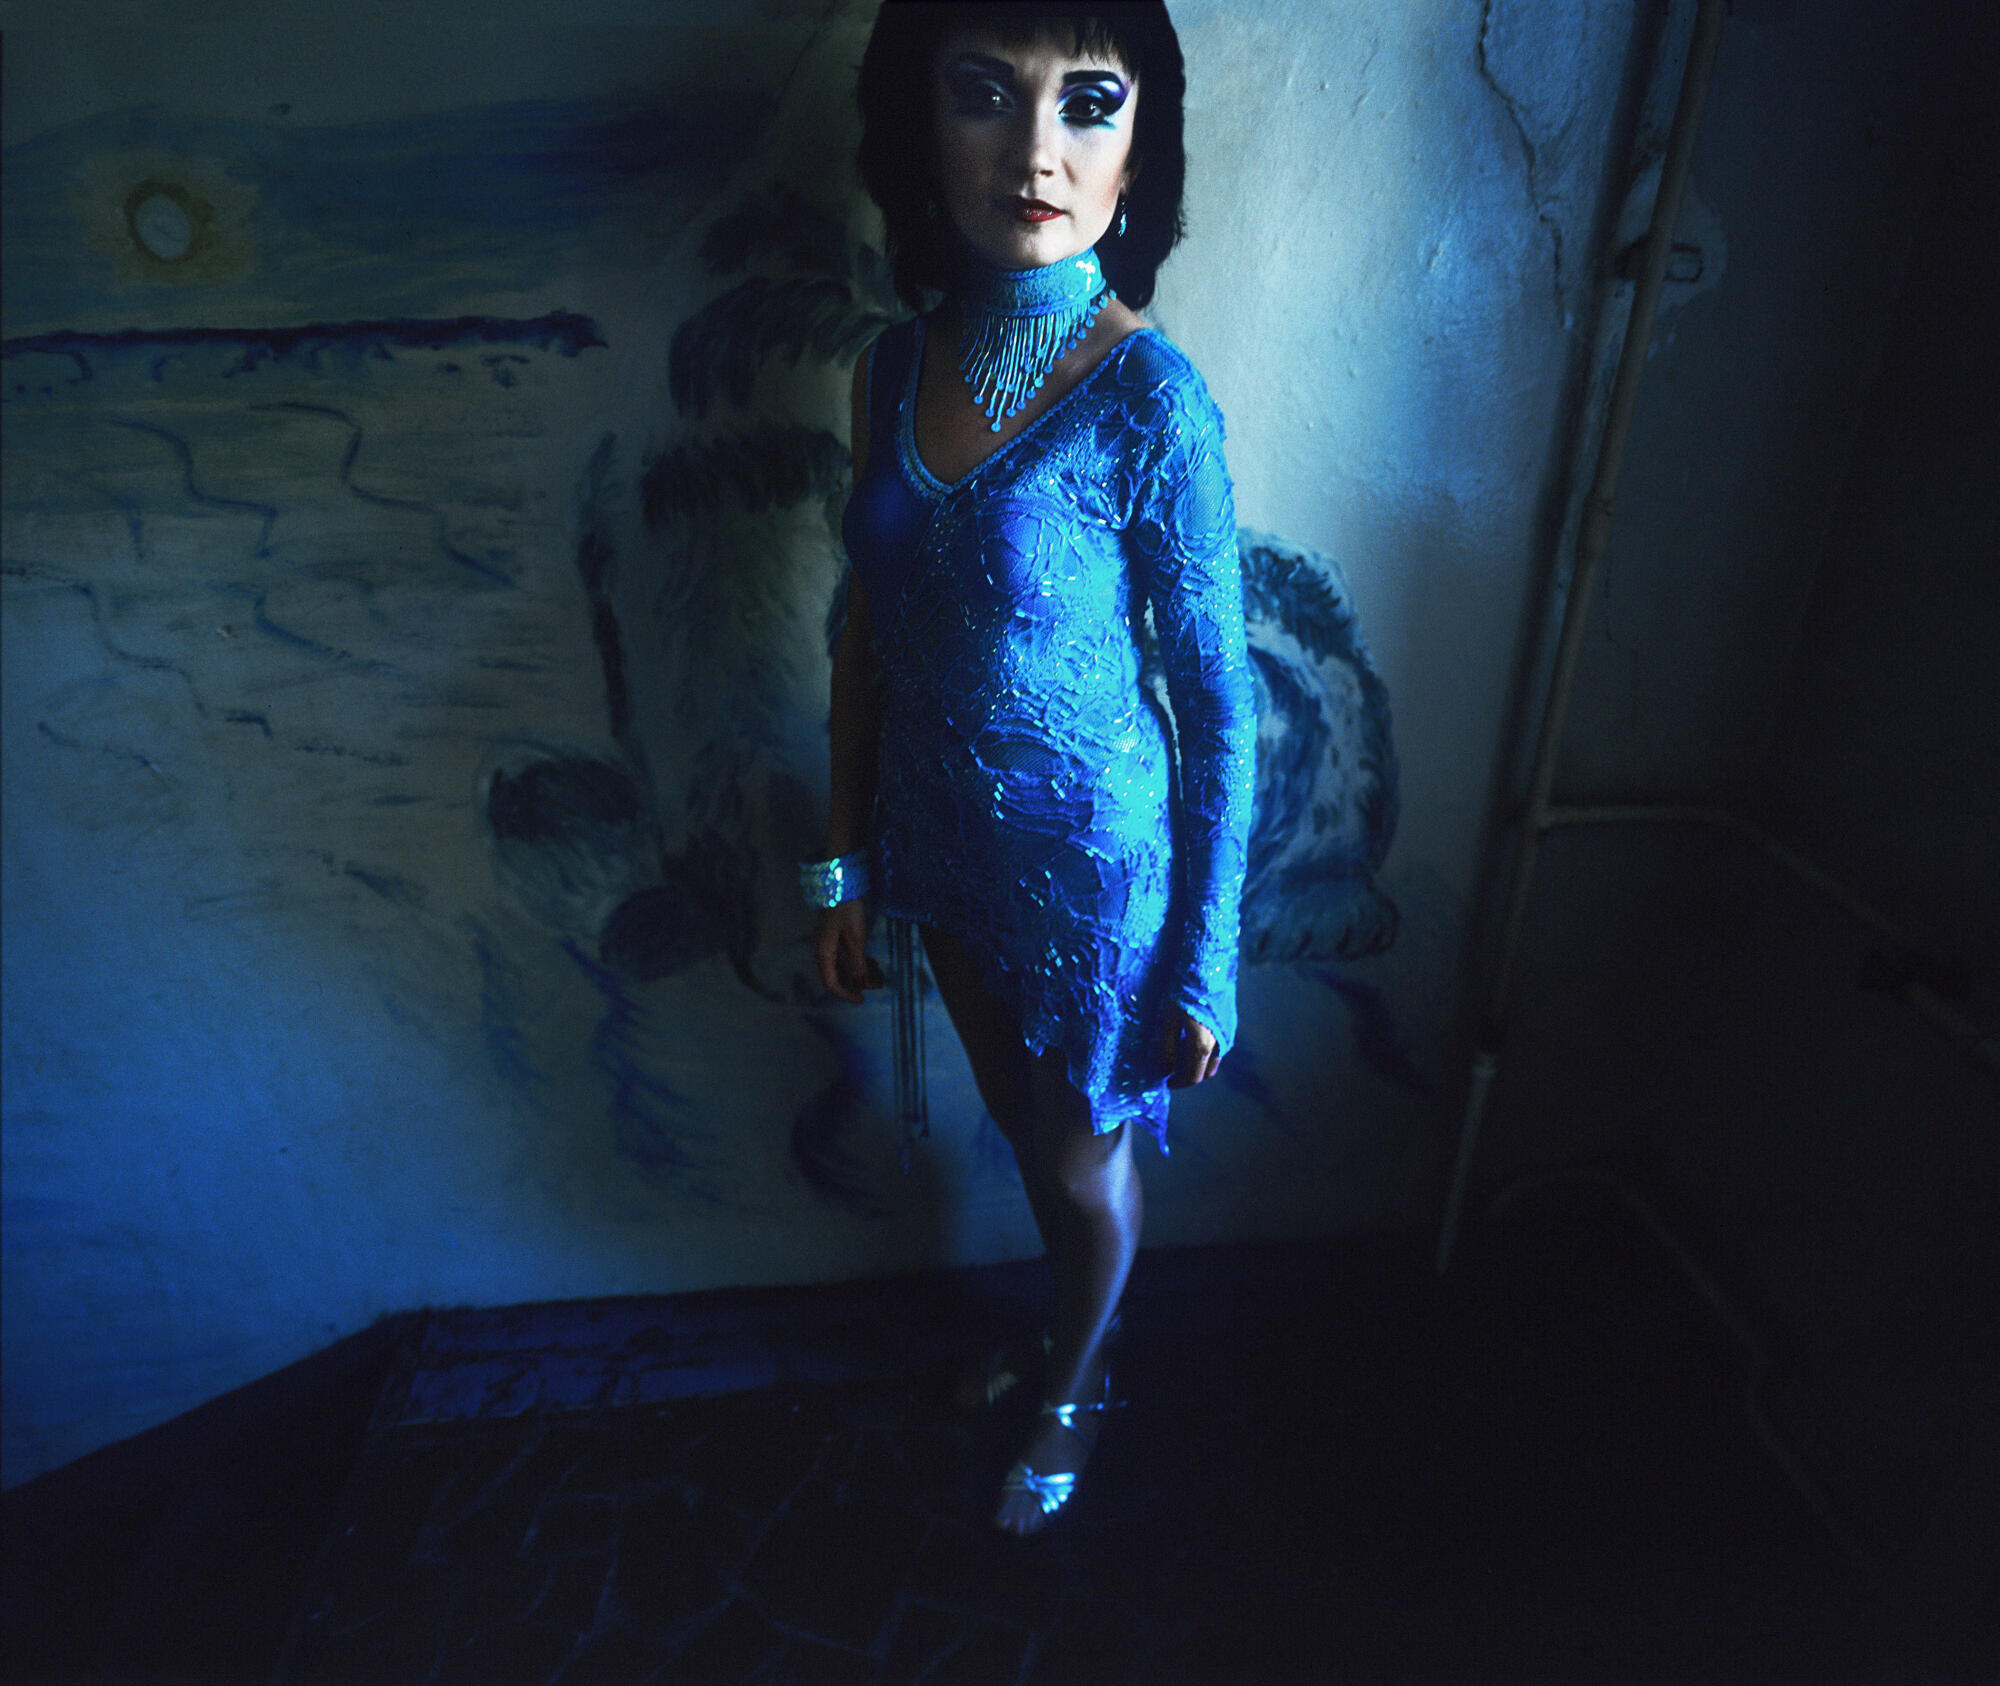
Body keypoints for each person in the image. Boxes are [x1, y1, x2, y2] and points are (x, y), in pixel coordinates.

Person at [807, 0, 1255, 1536]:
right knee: (1025, 1133)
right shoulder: (889, 366)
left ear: (1140, 145)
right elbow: (862, 637)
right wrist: (841, 861)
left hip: (1089, 880)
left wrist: (1207, 951)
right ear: (920, 126)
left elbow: (1219, 702)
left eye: (1090, 102)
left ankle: (1077, 1373)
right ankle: (1073, 1325)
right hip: (936, 848)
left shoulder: (1150, 397)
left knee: (1076, 1164)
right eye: (987, 94)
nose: (1037, 153)